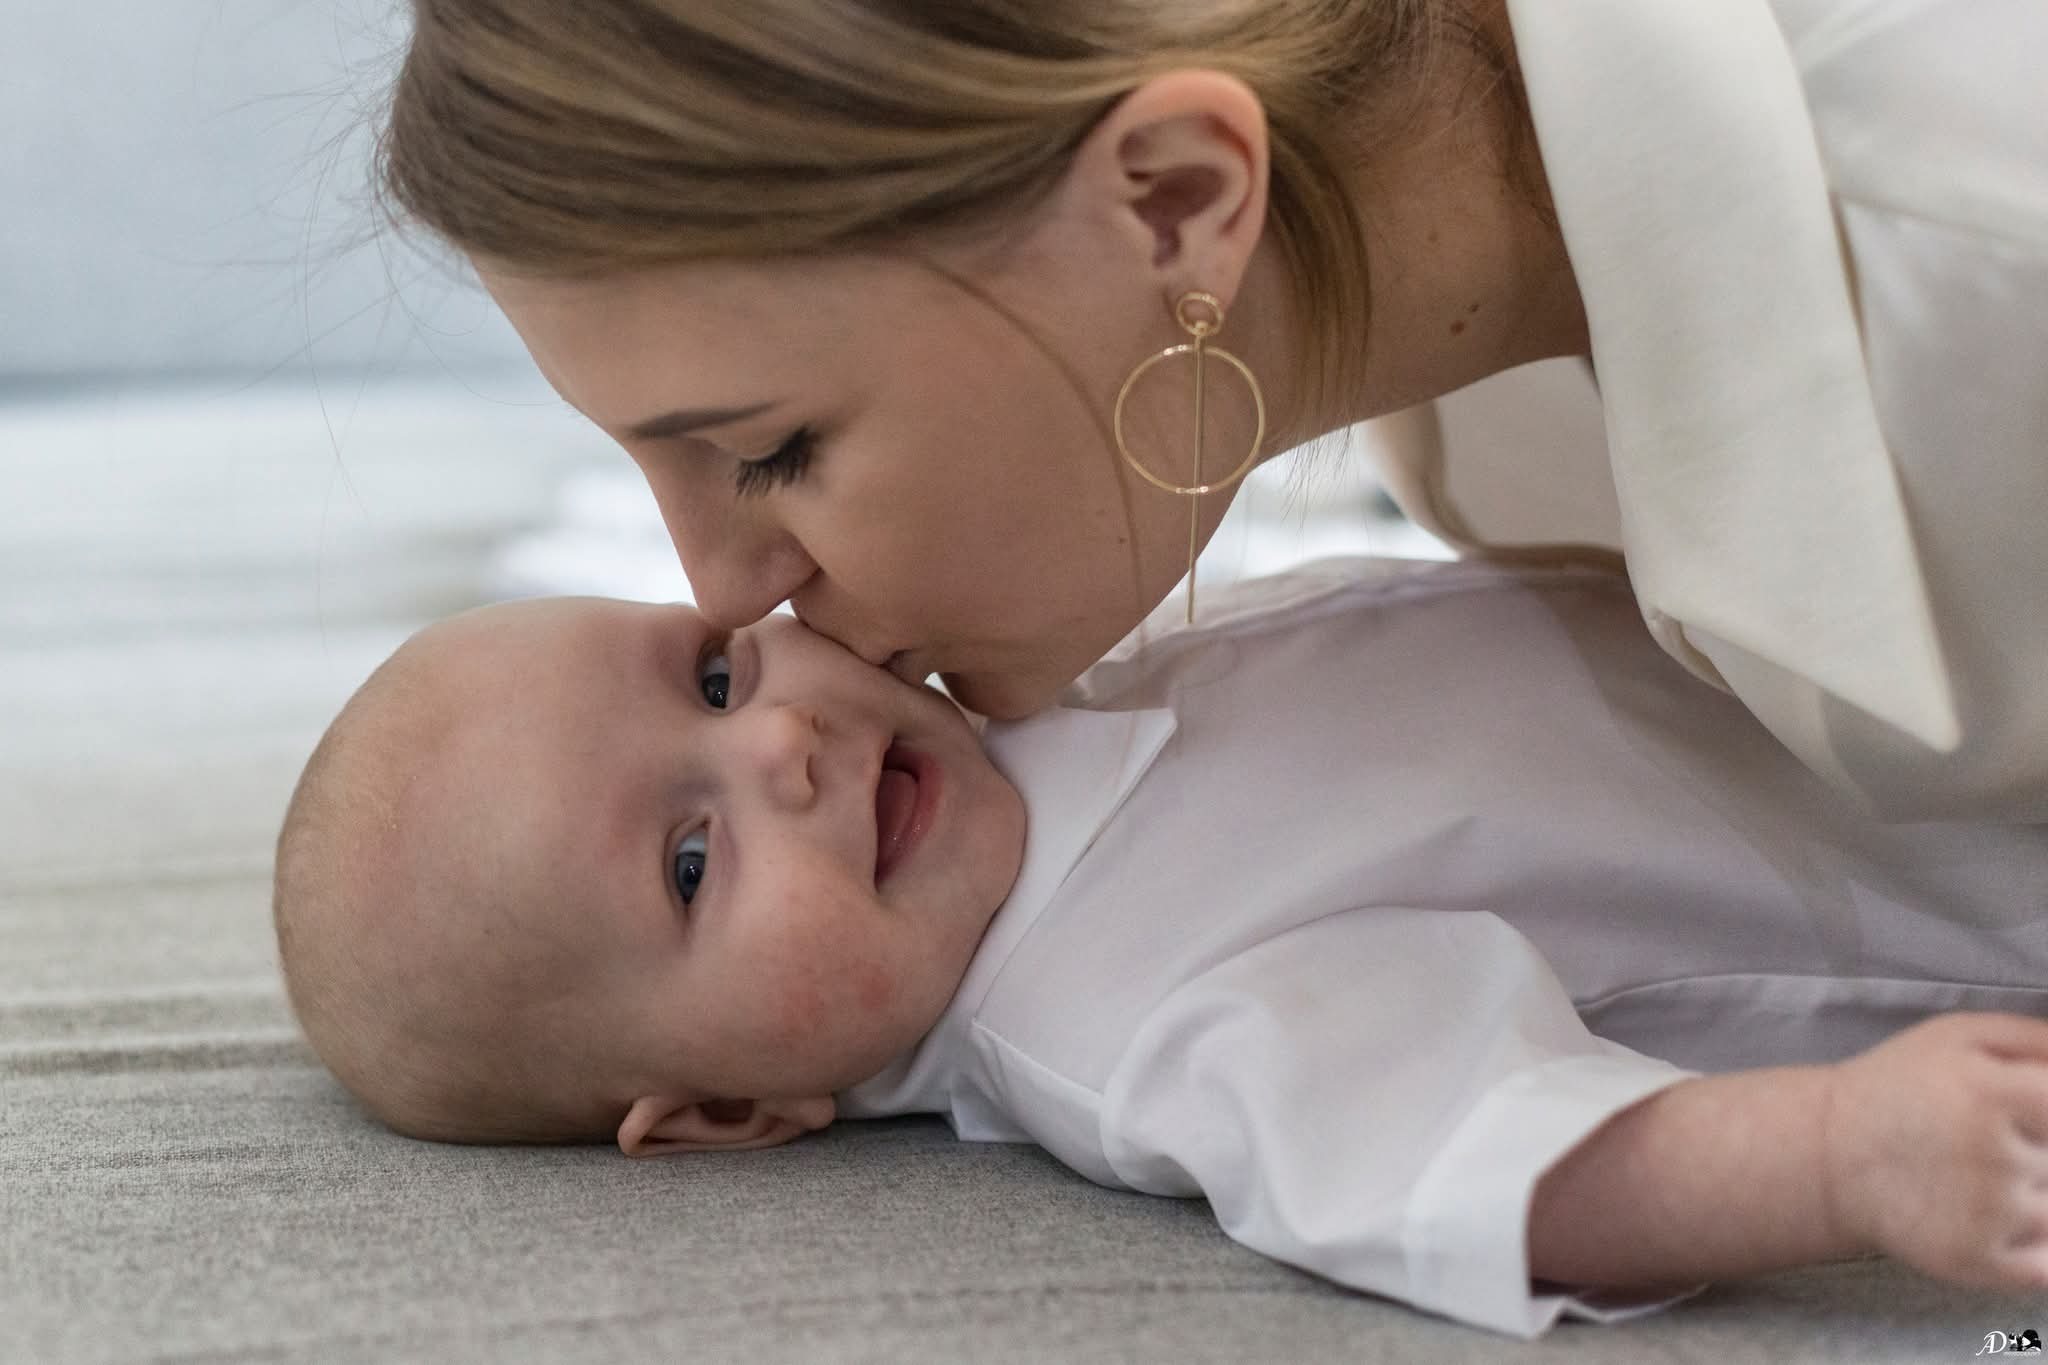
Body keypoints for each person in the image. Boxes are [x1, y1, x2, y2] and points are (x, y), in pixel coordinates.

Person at [273, 557, 2048, 1338]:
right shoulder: (1120, 1013)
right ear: (733, 1112)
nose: (781, 747)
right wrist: (1850, 1153)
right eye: (686, 858)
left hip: (1917, 675)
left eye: (715, 673)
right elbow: (1475, 1160)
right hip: (1966, 890)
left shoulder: (1003, 678)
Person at [373, 0, 2048, 822]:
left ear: (1173, 200)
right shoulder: (1490, 355)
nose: (720, 595)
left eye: (769, 452)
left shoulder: (1979, 241)